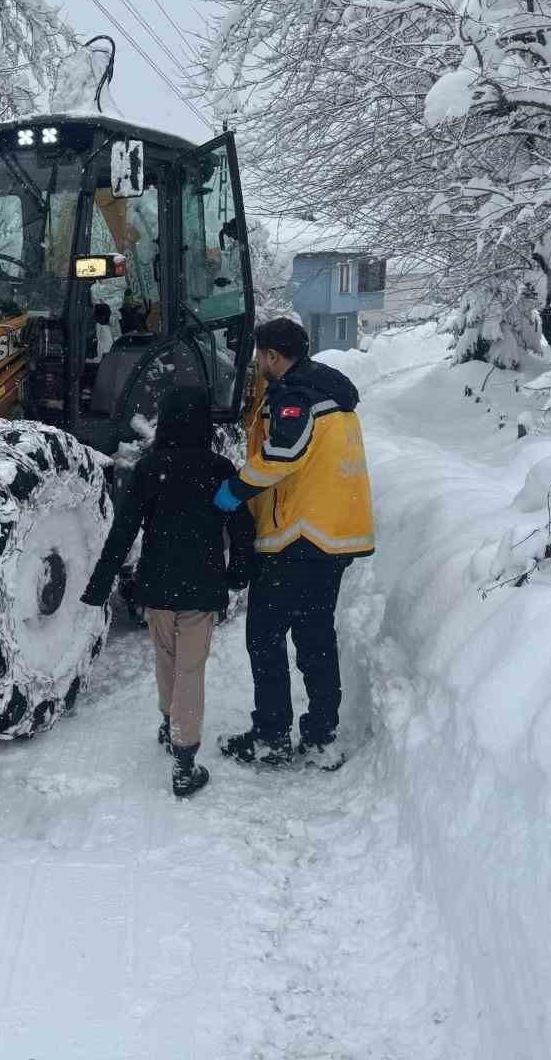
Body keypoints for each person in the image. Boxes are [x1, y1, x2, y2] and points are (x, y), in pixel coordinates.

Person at [213, 318, 374, 771]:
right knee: (315, 635)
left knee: (265, 636)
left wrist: (236, 489)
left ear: (273, 356)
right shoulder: (331, 393)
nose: (258, 364)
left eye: (260, 355)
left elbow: (283, 454)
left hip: (299, 537)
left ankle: (271, 736)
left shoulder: (296, 395)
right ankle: (321, 737)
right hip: (335, 535)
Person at [81, 386, 254, 798]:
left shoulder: (149, 468)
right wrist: (238, 574)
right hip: (201, 585)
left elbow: (123, 531)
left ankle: (168, 721)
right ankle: (184, 759)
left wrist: (99, 585)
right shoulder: (220, 469)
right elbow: (242, 528)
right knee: (190, 668)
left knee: (166, 659)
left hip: (156, 585)